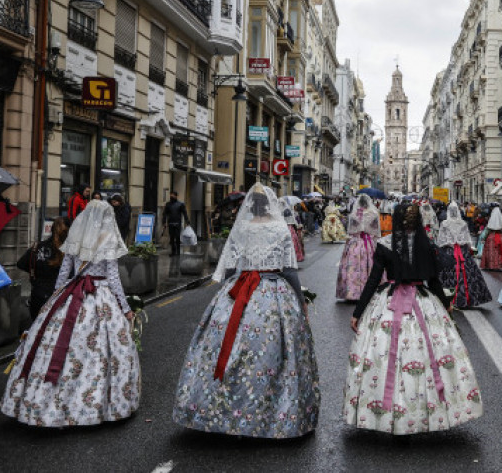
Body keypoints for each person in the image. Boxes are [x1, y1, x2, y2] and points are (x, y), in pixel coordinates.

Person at [173, 184, 319, 438]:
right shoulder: (279, 229)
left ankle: (221, 410)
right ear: (272, 205)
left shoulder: (241, 228)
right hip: (274, 293)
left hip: (240, 291)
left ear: (249, 206)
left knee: (230, 349)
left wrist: (228, 292)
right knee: (272, 355)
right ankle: (274, 414)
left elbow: (231, 267)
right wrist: (300, 301)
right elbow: (289, 271)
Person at [344, 203, 483, 434]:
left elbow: (373, 281)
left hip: (388, 304)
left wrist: (358, 312)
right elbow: (435, 280)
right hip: (423, 303)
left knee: (383, 356)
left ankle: (382, 410)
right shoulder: (426, 244)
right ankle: (427, 410)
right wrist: (446, 304)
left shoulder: (385, 245)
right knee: (429, 355)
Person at [1, 200, 140, 426]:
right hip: (100, 295)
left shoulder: (76, 238)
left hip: (72, 293)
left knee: (61, 348)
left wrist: (55, 301)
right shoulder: (107, 240)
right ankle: (95, 405)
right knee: (101, 352)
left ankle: (48, 404)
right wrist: (125, 309)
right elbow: (113, 279)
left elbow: (64, 273)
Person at [436, 202, 492, 309]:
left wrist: (441, 249)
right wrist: (470, 248)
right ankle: (467, 298)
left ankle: (449, 298)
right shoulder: (463, 223)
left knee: (447, 274)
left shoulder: (444, 223)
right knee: (467, 273)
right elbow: (467, 239)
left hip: (449, 251)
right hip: (462, 252)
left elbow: (441, 239)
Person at [16, 217, 70, 321]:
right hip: (60, 298)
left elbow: (21, 264)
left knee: (36, 331)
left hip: (38, 295)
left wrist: (35, 270)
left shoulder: (37, 247)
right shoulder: (69, 252)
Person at [336, 195, 380, 301]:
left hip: (355, 243)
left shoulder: (354, 214)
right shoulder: (374, 214)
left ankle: (351, 293)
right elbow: (376, 231)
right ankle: (369, 291)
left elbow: (351, 231)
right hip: (368, 244)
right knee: (368, 266)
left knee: (352, 267)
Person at [480, 206, 502, 270]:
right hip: (500, 236)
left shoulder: (491, 219)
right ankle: (500, 263)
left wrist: (484, 238)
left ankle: (492, 264)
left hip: (491, 237)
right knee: (501, 250)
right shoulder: (501, 218)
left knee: (491, 251)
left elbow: (488, 229)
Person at [162, 191, 190, 256]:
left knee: (177, 237)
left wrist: (187, 221)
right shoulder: (168, 204)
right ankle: (173, 251)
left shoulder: (180, 204)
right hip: (170, 223)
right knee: (171, 238)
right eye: (171, 195)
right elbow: (165, 214)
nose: (171, 196)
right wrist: (164, 222)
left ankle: (178, 251)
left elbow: (184, 213)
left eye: (173, 195)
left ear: (176, 196)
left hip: (177, 223)